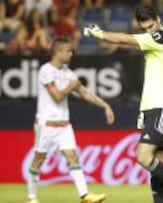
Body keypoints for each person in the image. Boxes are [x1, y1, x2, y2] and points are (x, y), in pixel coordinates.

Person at [83, 6, 163, 203]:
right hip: (153, 107)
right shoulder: (160, 39)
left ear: (159, 19)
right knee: (156, 164)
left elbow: (125, 39)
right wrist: (143, 110)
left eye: (151, 26)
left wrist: (99, 33)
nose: (149, 31)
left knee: (143, 156)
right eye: (145, 28)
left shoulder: (161, 38)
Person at [26, 37, 115, 203]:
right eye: (68, 50)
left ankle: (85, 196)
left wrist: (105, 105)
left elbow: (85, 93)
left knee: (73, 156)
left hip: (64, 125)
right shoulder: (46, 70)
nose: (71, 53)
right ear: (58, 52)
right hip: (47, 124)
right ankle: (31, 197)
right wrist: (70, 87)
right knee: (39, 159)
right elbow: (58, 96)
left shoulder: (68, 73)